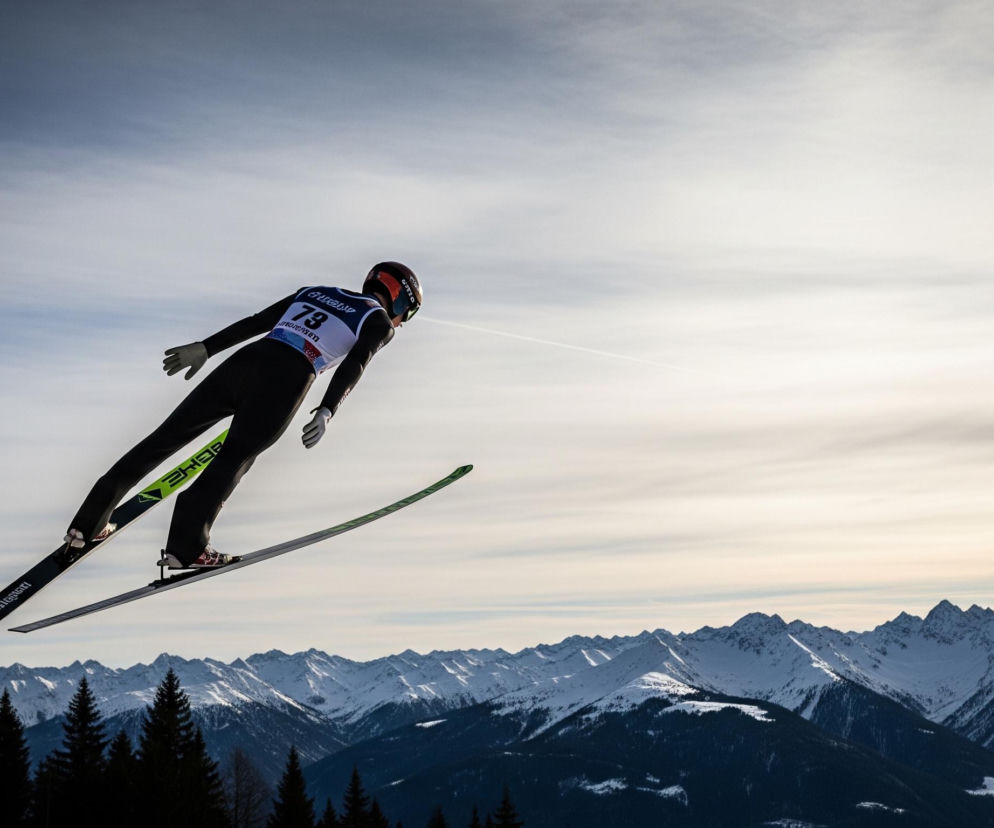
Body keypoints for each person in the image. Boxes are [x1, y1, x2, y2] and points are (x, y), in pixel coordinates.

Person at [63, 261, 422, 569]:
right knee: (234, 459)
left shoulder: (314, 291)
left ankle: (88, 524)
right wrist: (327, 409)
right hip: (288, 378)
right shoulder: (379, 322)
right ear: (401, 298)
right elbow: (355, 365)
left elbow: (257, 322)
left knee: (164, 438)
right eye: (409, 313)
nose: (403, 322)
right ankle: (185, 549)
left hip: (244, 361)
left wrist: (207, 347)